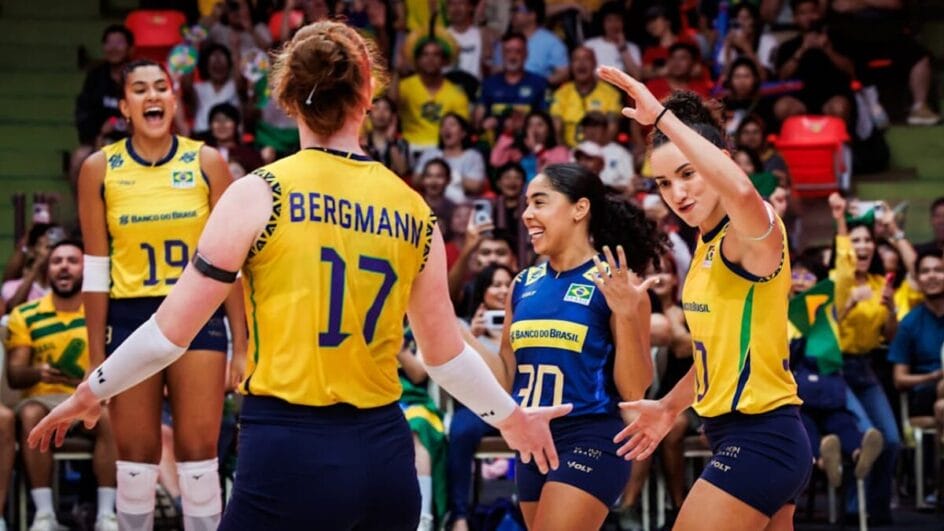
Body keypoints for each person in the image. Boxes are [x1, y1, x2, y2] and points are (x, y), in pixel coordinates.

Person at [29, 21, 567, 530]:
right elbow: (446, 356)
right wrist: (512, 418)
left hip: (288, 449)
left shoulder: (259, 193)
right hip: (385, 453)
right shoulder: (413, 209)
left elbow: (170, 332)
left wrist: (92, 390)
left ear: (287, 99)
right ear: (367, 95)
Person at [597, 66, 812, 529]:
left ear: (718, 160)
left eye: (688, 173)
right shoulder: (705, 245)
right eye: (664, 182)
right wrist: (668, 408)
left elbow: (739, 188)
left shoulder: (752, 231)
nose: (677, 192)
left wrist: (662, 118)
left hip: (761, 439)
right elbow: (716, 355)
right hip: (743, 435)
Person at [67, 58, 247, 531]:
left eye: (161, 88)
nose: (152, 96)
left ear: (174, 99)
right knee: (137, 458)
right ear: (124, 106)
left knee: (197, 454)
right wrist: (95, 354)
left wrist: (244, 345)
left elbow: (232, 264)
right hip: (129, 318)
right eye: (140, 90)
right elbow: (96, 269)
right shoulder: (98, 169)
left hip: (199, 316)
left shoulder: (207, 161)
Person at [470, 162, 664, 529]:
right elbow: (507, 373)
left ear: (580, 208)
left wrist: (625, 315)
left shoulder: (619, 284)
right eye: (527, 204)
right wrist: (456, 333)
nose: (527, 214)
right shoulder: (522, 282)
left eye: (540, 202)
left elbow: (635, 389)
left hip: (591, 435)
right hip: (533, 441)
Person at [5, 239, 119, 531]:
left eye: (72, 260)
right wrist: (39, 373)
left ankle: (106, 515)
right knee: (31, 415)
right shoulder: (25, 314)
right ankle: (45, 516)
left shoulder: (104, 313)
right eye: (56, 261)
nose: (64, 266)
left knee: (110, 416)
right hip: (43, 400)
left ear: (86, 269)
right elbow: (15, 376)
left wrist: (83, 381)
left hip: (91, 399)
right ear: (48, 270)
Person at [826, 193, 899, 525]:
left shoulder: (878, 283)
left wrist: (892, 309)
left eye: (868, 240)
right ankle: (856, 514)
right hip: (835, 369)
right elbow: (822, 332)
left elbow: (891, 337)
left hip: (867, 368)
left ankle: (879, 512)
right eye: (856, 241)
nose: (863, 246)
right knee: (868, 437)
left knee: (892, 440)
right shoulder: (836, 283)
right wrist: (847, 307)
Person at [888, 249, 944, 435]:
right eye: (925, 271)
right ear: (918, 280)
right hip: (924, 392)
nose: (932, 276)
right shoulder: (910, 323)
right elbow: (899, 379)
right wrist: (934, 376)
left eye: (938, 270)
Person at [71, 25, 134, 189]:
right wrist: (97, 134)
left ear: (129, 48)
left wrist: (131, 128)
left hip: (134, 140)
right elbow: (84, 112)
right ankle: (84, 212)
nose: (113, 48)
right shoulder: (95, 78)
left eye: (119, 43)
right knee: (79, 158)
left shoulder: (138, 76)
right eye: (109, 43)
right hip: (99, 140)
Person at [550, 46, 622, 148]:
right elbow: (557, 130)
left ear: (594, 63)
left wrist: (593, 153)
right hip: (569, 152)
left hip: (601, 152)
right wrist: (566, 154)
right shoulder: (561, 94)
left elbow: (612, 129)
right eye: (576, 60)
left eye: (586, 59)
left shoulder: (611, 94)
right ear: (571, 65)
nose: (581, 64)